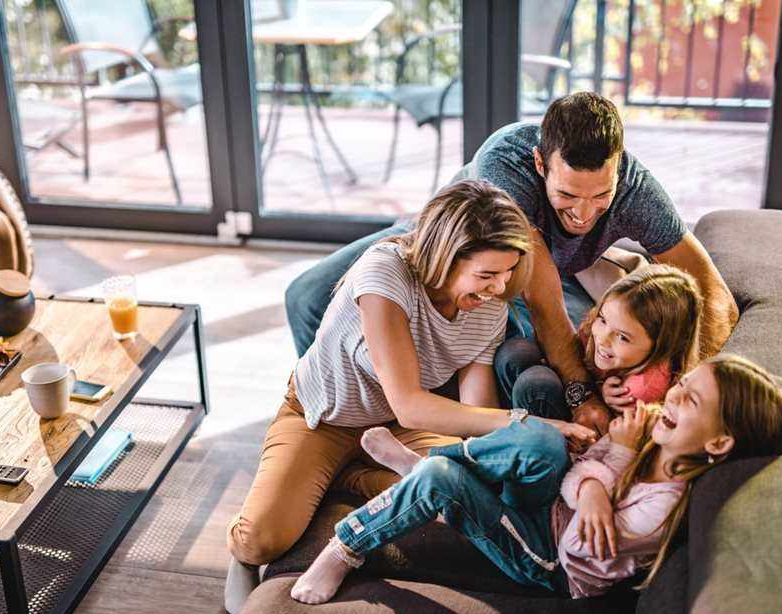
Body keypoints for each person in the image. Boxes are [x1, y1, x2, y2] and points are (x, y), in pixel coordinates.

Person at [225, 179, 597, 614]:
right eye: (486, 275)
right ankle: (261, 534)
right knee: (263, 539)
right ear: (445, 257)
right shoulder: (385, 273)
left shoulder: (489, 303)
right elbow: (409, 401)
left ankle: (353, 472)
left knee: (468, 490)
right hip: (324, 418)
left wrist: (497, 447)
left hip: (403, 428)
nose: (499, 288)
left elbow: (472, 410)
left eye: (507, 273)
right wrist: (531, 424)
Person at [284, 92, 738, 434]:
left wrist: (686, 385)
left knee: (595, 349)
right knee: (305, 297)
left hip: (530, 275)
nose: (582, 214)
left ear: (619, 168)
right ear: (541, 164)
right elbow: (542, 301)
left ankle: (418, 420)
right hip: (444, 245)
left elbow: (715, 295)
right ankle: (343, 425)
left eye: (601, 196)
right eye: (566, 197)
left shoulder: (638, 192)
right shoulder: (506, 164)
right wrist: (581, 398)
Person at [289, 354, 782, 603]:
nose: (674, 400)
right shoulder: (651, 440)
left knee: (441, 477)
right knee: (541, 442)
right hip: (550, 510)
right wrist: (596, 475)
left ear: (718, 443)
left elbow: (578, 547)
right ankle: (429, 470)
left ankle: (347, 545)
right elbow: (578, 479)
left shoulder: (661, 509)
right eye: (681, 387)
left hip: (547, 558)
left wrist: (609, 462)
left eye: (691, 403)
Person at [502, 263, 704, 420]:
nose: (603, 339)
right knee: (517, 353)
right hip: (585, 390)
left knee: (535, 384)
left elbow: (613, 439)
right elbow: (580, 345)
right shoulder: (599, 334)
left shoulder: (641, 390)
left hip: (589, 437)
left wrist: (603, 399)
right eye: (603, 319)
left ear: (664, 345)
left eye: (622, 337)